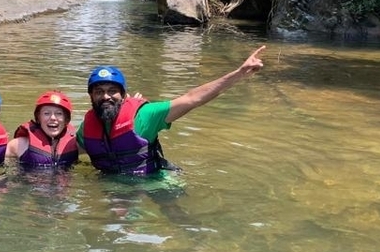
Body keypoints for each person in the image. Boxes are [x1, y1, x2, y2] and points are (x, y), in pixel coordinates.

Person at [77, 46, 266, 176]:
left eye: (112, 91)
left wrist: (239, 73)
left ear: (124, 96)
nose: (106, 97)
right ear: (91, 97)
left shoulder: (145, 115)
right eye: (99, 92)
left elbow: (192, 99)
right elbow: (67, 152)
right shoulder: (87, 128)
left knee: (178, 218)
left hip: (152, 179)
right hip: (114, 185)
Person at [6, 91, 78, 170]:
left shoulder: (75, 143)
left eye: (59, 113)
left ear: (66, 120)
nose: (53, 118)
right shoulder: (20, 144)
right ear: (38, 118)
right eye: (46, 113)